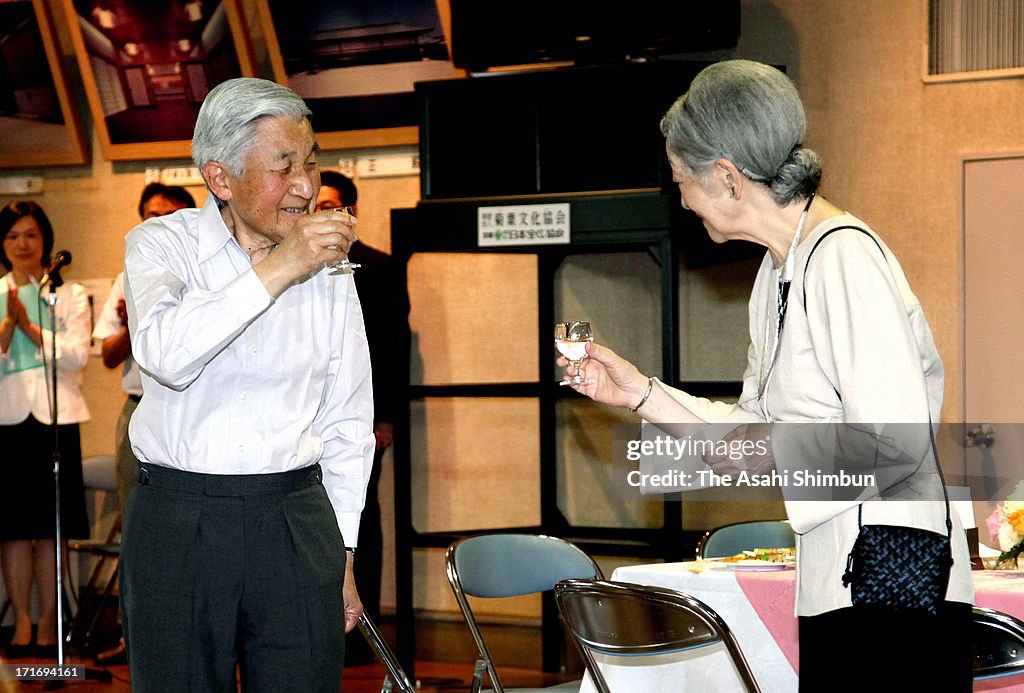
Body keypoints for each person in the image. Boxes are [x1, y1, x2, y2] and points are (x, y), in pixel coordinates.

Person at [558, 60, 974, 691]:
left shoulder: (844, 257)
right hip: (839, 576)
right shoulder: (776, 271)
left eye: (680, 181)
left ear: (725, 177)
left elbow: (894, 446)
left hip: (891, 582)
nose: (681, 198)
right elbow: (750, 436)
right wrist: (641, 392)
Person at [119, 77, 375, 692]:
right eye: (284, 167)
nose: (306, 187)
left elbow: (346, 419)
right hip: (179, 516)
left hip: (294, 517)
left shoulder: (332, 271)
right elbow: (164, 353)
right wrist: (285, 266)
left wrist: (341, 551)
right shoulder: (162, 245)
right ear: (220, 178)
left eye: (311, 163)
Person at [90, 182, 196, 665]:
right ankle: (136, 643)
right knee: (137, 529)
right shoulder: (126, 275)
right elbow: (109, 357)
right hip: (139, 408)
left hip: (194, 412)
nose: (161, 222)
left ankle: (194, 641)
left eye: (173, 214)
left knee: (193, 534)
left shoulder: (207, 276)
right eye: (152, 214)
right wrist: (137, 323)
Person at [315, 170, 409, 666]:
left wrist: (386, 419)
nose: (323, 213)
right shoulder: (294, 264)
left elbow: (394, 350)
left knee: (360, 518)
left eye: (333, 206)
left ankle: (359, 630)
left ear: (351, 211)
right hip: (306, 421)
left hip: (365, 419)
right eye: (317, 204)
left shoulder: (381, 267)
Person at [0, 201, 91, 659]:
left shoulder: (68, 294)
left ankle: (52, 625)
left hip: (56, 422)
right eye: (13, 235)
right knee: (15, 531)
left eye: (31, 234)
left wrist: (29, 327)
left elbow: (77, 356)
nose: (22, 244)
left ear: (46, 240)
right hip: (9, 422)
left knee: (52, 531)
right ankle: (21, 625)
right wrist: (5, 329)